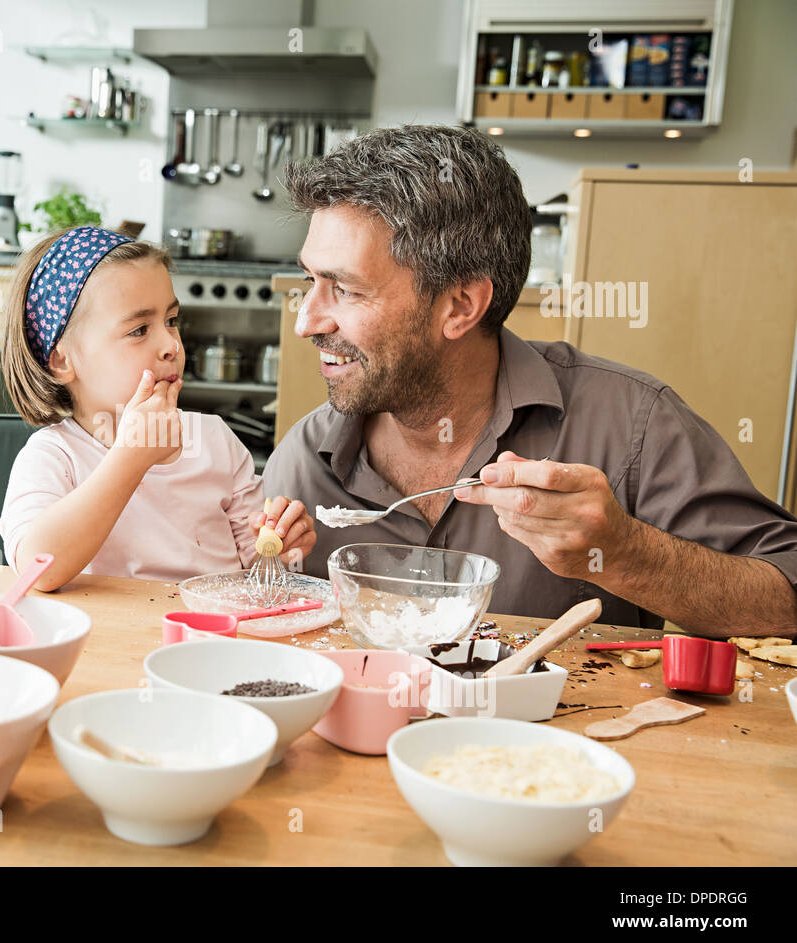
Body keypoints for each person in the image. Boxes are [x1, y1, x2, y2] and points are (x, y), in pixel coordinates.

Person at [262, 124, 797, 636]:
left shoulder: (631, 425)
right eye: (311, 280)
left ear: (461, 306)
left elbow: (787, 598)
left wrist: (627, 553)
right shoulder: (306, 459)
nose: (306, 321)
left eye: (347, 290)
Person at [0, 225, 316, 592]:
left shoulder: (215, 439)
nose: (171, 345)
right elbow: (38, 569)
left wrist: (281, 547)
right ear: (61, 362)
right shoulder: (54, 457)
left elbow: (257, 568)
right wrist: (131, 457)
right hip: (109, 644)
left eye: (171, 321)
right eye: (138, 330)